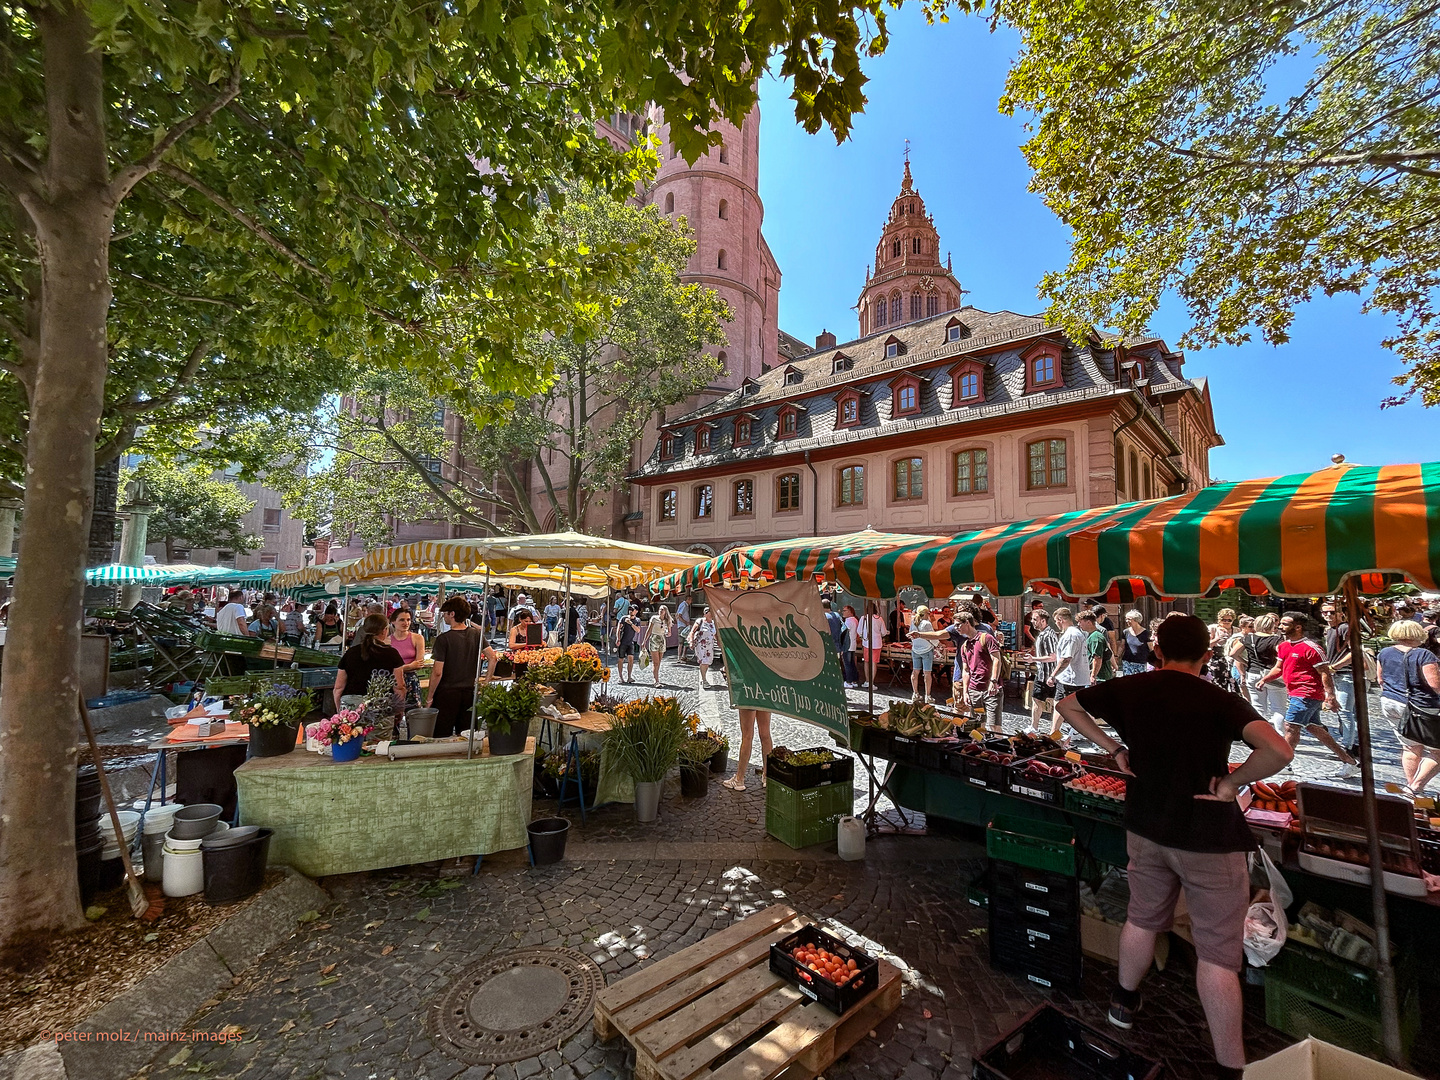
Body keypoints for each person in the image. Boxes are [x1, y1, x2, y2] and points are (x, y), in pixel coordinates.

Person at [1055, 614, 1293, 1079]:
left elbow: (1067, 705)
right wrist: (1231, 784)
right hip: (1207, 837)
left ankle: (1122, 1005)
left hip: (1144, 826)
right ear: (1208, 655)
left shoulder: (1131, 688)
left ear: (1158, 651)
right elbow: (1280, 752)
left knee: (1142, 918)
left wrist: (1114, 749)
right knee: (1218, 955)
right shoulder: (1220, 699)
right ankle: (1230, 1066)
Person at [1258, 611, 1358, 778]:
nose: (1280, 627)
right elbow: (1279, 668)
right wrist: (1265, 679)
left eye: (1285, 624)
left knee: (1290, 726)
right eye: (1280, 623)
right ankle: (1349, 762)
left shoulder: (1312, 648)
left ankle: (1283, 763)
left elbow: (1324, 672)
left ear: (1298, 627)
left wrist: (1330, 695)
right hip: (1296, 693)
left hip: (1307, 693)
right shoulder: (1283, 646)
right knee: (1315, 728)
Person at [1376, 619, 1440, 797]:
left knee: (1410, 747)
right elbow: (1435, 684)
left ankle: (1412, 791)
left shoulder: (1384, 652)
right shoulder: (1424, 655)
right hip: (1420, 707)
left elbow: (1380, 680)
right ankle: (1415, 788)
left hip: (1390, 702)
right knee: (1437, 751)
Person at [915, 612, 1003, 732]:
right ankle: (982, 749)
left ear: (967, 622)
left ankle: (1000, 749)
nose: (956, 629)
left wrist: (993, 681)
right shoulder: (964, 646)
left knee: (994, 726)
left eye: (958, 625)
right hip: (974, 690)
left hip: (990, 690)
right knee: (978, 725)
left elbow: (997, 659)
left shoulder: (986, 638)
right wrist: (966, 691)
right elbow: (966, 671)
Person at [425, 598, 485, 738]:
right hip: (469, 691)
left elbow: (437, 672)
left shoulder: (443, 639)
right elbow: (492, 657)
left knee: (441, 735)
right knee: (467, 736)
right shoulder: (476, 634)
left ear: (452, 614)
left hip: (447, 693)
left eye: (445, 613)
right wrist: (485, 681)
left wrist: (429, 697)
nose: (444, 616)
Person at [333, 614, 405, 711]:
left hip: (351, 708)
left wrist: (339, 711)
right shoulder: (392, 654)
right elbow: (399, 687)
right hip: (381, 707)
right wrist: (399, 711)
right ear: (384, 630)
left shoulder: (350, 653)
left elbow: (338, 688)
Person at [1319, 600, 1359, 757]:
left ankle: (1347, 747)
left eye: (1332, 612)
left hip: (1345, 675)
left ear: (1340, 613)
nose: (1328, 615)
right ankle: (1352, 744)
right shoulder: (1330, 630)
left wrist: (1335, 667)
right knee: (1345, 712)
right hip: (1337, 675)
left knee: (1344, 712)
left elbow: (1354, 651)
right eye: (1325, 612)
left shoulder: (1344, 628)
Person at [1235, 613, 1286, 731]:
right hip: (1273, 673)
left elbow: (1233, 653)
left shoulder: (1247, 638)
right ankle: (1281, 736)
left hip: (1253, 673)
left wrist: (1245, 662)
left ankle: (1259, 735)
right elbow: (1283, 655)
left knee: (1258, 707)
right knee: (1279, 709)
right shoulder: (1277, 639)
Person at [1025, 610, 1060, 736]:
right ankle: (1035, 727)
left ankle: (1042, 728)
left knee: (1051, 702)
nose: (1033, 622)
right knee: (1037, 699)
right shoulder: (1043, 634)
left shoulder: (1048, 635)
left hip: (1048, 675)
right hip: (1043, 674)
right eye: (1033, 619)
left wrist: (1033, 659)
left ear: (1043, 620)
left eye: (1035, 619)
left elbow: (1053, 657)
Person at [722, 708, 773, 792]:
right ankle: (767, 776)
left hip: (748, 698)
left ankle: (739, 779)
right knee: (765, 734)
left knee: (747, 736)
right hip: (763, 696)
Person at [389, 608, 428, 707]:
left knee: (413, 711)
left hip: (411, 680)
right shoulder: (387, 641)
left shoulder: (417, 638)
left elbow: (419, 663)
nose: (406, 623)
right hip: (394, 680)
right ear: (393, 621)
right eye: (402, 620)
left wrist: (399, 668)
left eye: (408, 620)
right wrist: (408, 666)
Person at [908, 604, 936, 703]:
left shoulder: (913, 623)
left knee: (915, 672)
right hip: (926, 649)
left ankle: (915, 693)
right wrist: (939, 645)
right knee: (927, 673)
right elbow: (932, 636)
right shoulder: (927, 623)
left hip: (915, 649)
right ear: (926, 613)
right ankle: (927, 696)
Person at [855, 605, 887, 687]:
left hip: (866, 643)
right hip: (877, 643)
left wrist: (864, 635)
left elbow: (859, 631)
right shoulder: (879, 619)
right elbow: (884, 632)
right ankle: (872, 682)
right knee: (874, 663)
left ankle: (867, 681)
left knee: (866, 661)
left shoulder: (863, 618)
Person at [1080, 610, 1114, 683]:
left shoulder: (1095, 638)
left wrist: (1093, 676)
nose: (1079, 624)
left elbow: (1097, 658)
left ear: (1088, 622)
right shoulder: (1091, 635)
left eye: (1080, 622)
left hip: (1100, 678)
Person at [1207, 608, 1237, 689]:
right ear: (1219, 620)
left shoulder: (1236, 630)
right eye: (1224, 620)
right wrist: (1217, 639)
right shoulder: (1213, 628)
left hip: (1232, 660)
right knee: (1217, 685)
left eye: (1229, 620)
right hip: (1216, 660)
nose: (1226, 622)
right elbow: (1207, 645)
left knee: (1234, 685)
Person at [689, 607, 719, 688]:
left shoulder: (713, 623)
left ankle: (703, 676)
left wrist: (719, 643)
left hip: (710, 646)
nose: (711, 614)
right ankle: (704, 680)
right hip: (700, 645)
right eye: (709, 612)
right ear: (705, 614)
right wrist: (691, 641)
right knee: (703, 662)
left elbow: (715, 634)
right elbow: (692, 631)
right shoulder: (700, 621)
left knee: (708, 662)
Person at [644, 605, 673, 688]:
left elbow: (669, 632)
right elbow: (649, 630)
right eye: (660, 609)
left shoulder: (667, 620)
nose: (661, 611)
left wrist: (668, 633)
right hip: (654, 639)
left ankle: (656, 675)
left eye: (663, 609)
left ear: (665, 611)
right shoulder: (654, 618)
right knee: (655, 662)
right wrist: (644, 641)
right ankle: (656, 680)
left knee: (659, 661)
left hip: (662, 639)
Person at [1120, 610, 1152, 676]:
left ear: (1136, 620)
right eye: (1126, 619)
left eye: (1129, 619)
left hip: (1141, 663)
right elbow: (1122, 646)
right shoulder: (1125, 632)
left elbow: (1151, 648)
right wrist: (1116, 657)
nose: (1126, 621)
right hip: (1127, 662)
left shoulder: (1146, 633)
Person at [614, 604, 641, 683]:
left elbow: (638, 630)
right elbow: (618, 629)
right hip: (623, 642)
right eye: (630, 609)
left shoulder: (637, 620)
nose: (630, 611)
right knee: (621, 659)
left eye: (632, 610)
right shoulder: (623, 618)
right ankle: (620, 677)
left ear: (636, 611)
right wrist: (618, 639)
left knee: (631, 659)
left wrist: (631, 623)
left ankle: (629, 676)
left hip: (630, 642)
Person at [840, 604, 861, 687]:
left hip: (847, 645)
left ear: (850, 612)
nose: (843, 612)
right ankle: (854, 680)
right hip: (853, 644)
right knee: (851, 663)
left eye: (845, 610)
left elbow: (844, 633)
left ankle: (848, 681)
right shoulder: (855, 620)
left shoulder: (848, 621)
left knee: (847, 663)